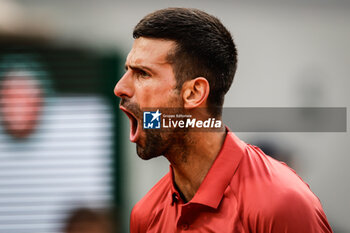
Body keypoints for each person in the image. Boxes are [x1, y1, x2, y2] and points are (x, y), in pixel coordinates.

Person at [114, 7, 333, 233]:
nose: (120, 88)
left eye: (142, 74)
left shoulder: (282, 204)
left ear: (194, 93)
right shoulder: (146, 215)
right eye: (127, 71)